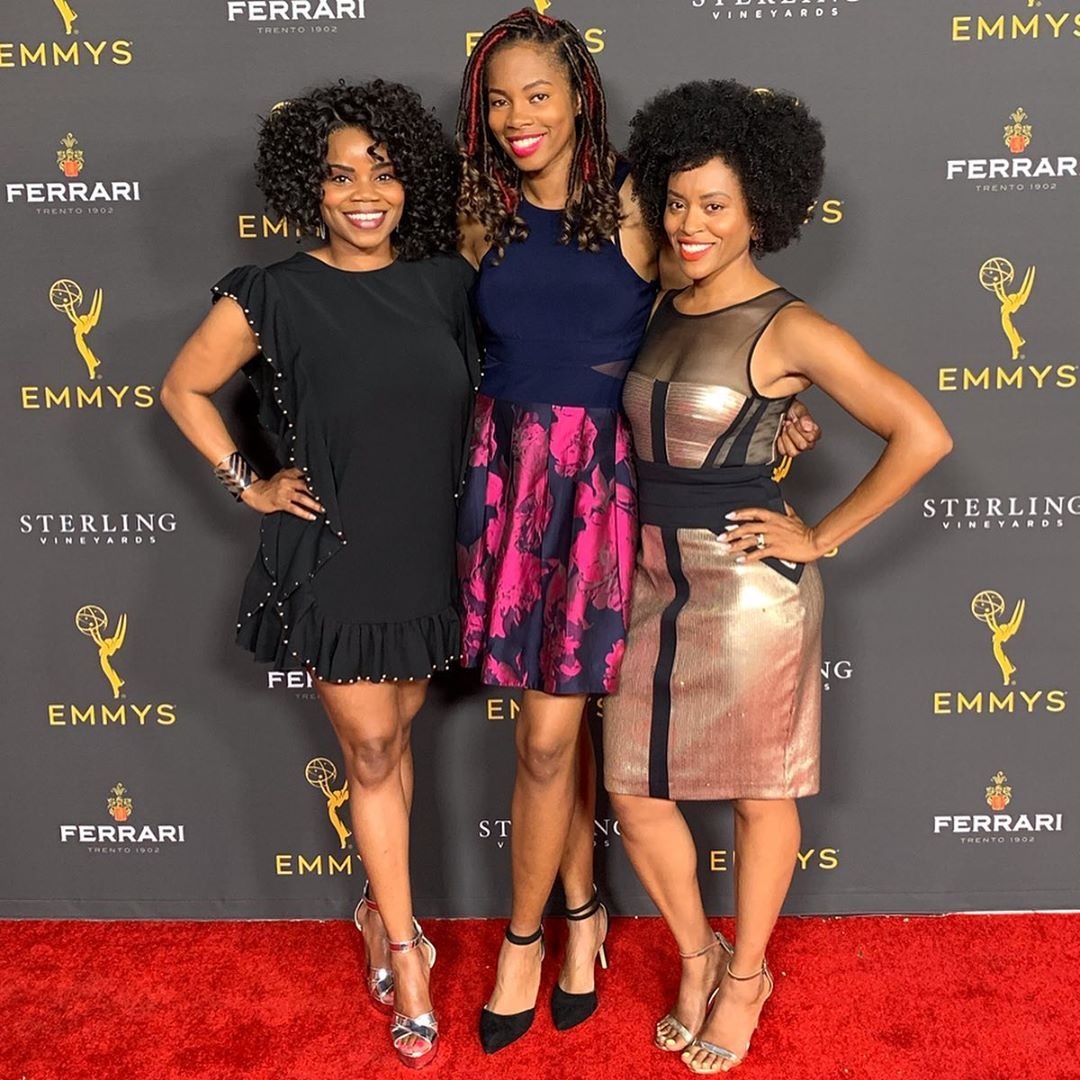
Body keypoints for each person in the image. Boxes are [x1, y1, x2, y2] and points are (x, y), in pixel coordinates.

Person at [454, 10, 821, 1053]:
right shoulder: (477, 210)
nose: (518, 117)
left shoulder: (640, 209)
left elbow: (719, 314)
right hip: (506, 484)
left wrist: (777, 405)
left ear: (580, 97)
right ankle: (571, 921)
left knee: (554, 734)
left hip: (603, 494)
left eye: (538, 94)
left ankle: (541, 937)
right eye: (498, 99)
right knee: (554, 736)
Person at [604, 80, 952, 1074]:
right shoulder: (656, 301)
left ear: (762, 209)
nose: (690, 224)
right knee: (633, 792)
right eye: (676, 201)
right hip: (646, 582)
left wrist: (820, 535)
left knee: (760, 797)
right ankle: (697, 953)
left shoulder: (793, 328)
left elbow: (922, 433)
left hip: (749, 595)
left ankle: (747, 976)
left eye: (715, 205)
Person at [160, 81, 477, 1069]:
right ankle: (407, 953)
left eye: (382, 173)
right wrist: (248, 482)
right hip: (334, 550)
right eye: (340, 178)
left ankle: (382, 908)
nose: (364, 194)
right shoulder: (272, 293)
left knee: (397, 733)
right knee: (372, 749)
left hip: (429, 547)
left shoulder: (449, 281)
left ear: (410, 182)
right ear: (311, 189)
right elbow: (183, 387)